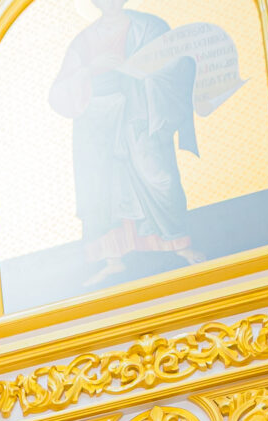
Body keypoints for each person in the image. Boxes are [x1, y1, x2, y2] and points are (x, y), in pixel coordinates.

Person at [46, 0, 196, 286]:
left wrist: (138, 73)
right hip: (97, 123)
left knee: (156, 176)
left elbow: (175, 65)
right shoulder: (83, 42)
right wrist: (89, 70)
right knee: (104, 190)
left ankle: (177, 243)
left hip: (140, 114)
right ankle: (112, 259)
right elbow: (58, 93)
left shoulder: (149, 27)